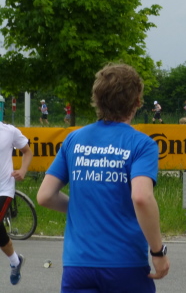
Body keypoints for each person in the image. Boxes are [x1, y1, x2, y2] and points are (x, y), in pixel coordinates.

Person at [37, 63, 170, 291]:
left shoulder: (73, 140)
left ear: (96, 99)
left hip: (77, 264)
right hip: (125, 263)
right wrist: (158, 252)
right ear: (137, 101)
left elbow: (45, 196)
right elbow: (141, 197)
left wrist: (83, 208)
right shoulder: (141, 144)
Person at [1, 121, 32, 285]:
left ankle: (15, 261)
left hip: (3, 189)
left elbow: (27, 151)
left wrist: (23, 170)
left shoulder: (9, 131)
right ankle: (15, 261)